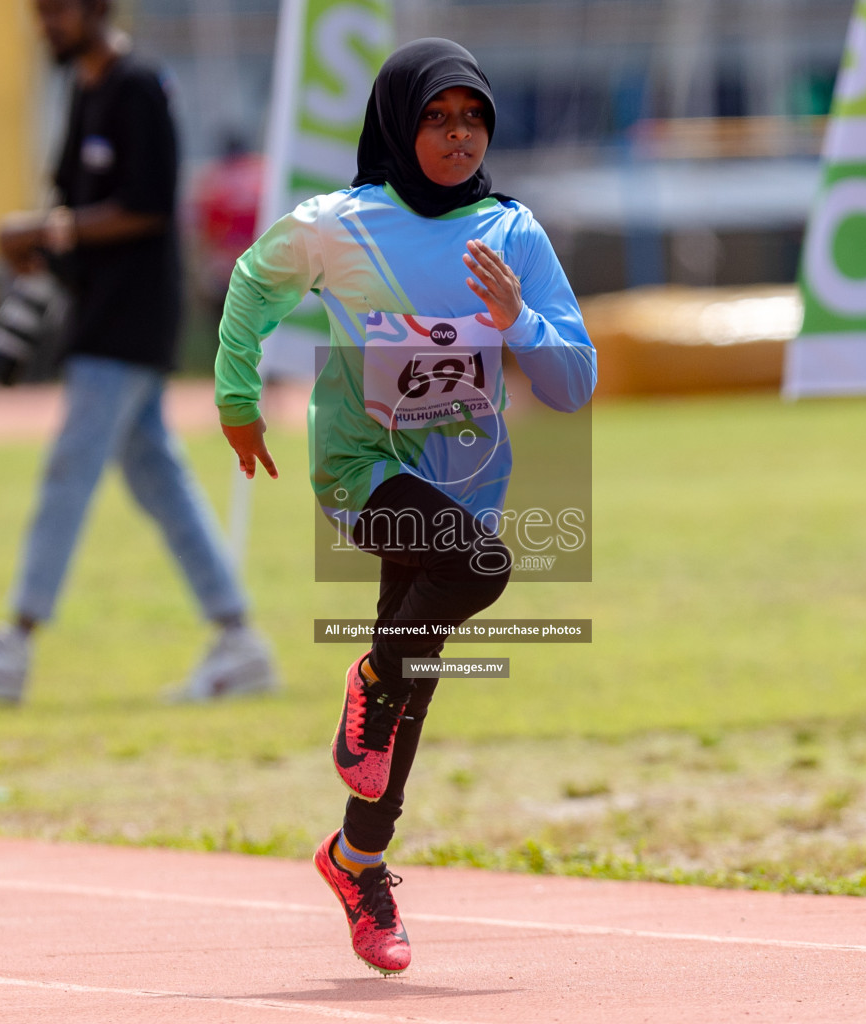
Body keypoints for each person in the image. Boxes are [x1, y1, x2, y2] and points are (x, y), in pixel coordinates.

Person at [215, 39, 596, 974]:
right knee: (477, 572)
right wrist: (235, 398)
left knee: (412, 684)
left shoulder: (513, 235)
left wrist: (520, 321)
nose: (458, 135)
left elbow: (573, 384)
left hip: (462, 479)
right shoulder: (339, 225)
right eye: (436, 117)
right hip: (360, 464)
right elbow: (250, 289)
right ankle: (370, 685)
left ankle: (357, 862)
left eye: (472, 118)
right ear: (398, 122)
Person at [0, 0, 275, 706]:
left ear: (96, 10)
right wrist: (17, 325)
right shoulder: (81, 92)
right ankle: (239, 641)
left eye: (58, 11)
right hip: (97, 317)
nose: (45, 23)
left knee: (70, 471)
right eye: (40, 12)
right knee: (159, 483)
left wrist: (45, 233)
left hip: (131, 320)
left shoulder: (138, 85)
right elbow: (66, 215)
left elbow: (144, 204)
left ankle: (14, 646)